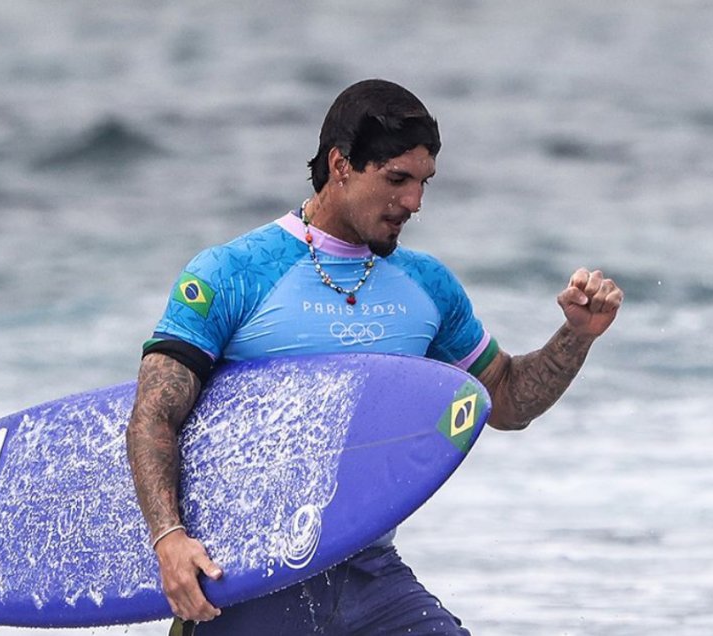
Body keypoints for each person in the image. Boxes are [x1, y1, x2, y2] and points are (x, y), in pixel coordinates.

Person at [125, 79, 623, 635]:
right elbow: (154, 415)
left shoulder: (426, 285)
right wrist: (168, 539)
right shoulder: (232, 273)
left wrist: (576, 335)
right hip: (246, 577)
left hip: (369, 577)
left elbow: (504, 400)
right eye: (397, 180)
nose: (413, 202)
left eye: (423, 183)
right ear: (341, 165)